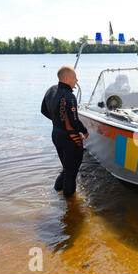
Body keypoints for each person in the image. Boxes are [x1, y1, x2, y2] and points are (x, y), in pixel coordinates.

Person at [41, 65, 89, 197]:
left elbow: (43, 110)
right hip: (70, 138)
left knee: (66, 169)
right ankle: (70, 205)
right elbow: (74, 121)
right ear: (67, 78)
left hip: (56, 134)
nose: (77, 80)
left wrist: (58, 120)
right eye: (75, 77)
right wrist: (84, 131)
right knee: (71, 173)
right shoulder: (69, 96)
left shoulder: (51, 90)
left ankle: (56, 194)